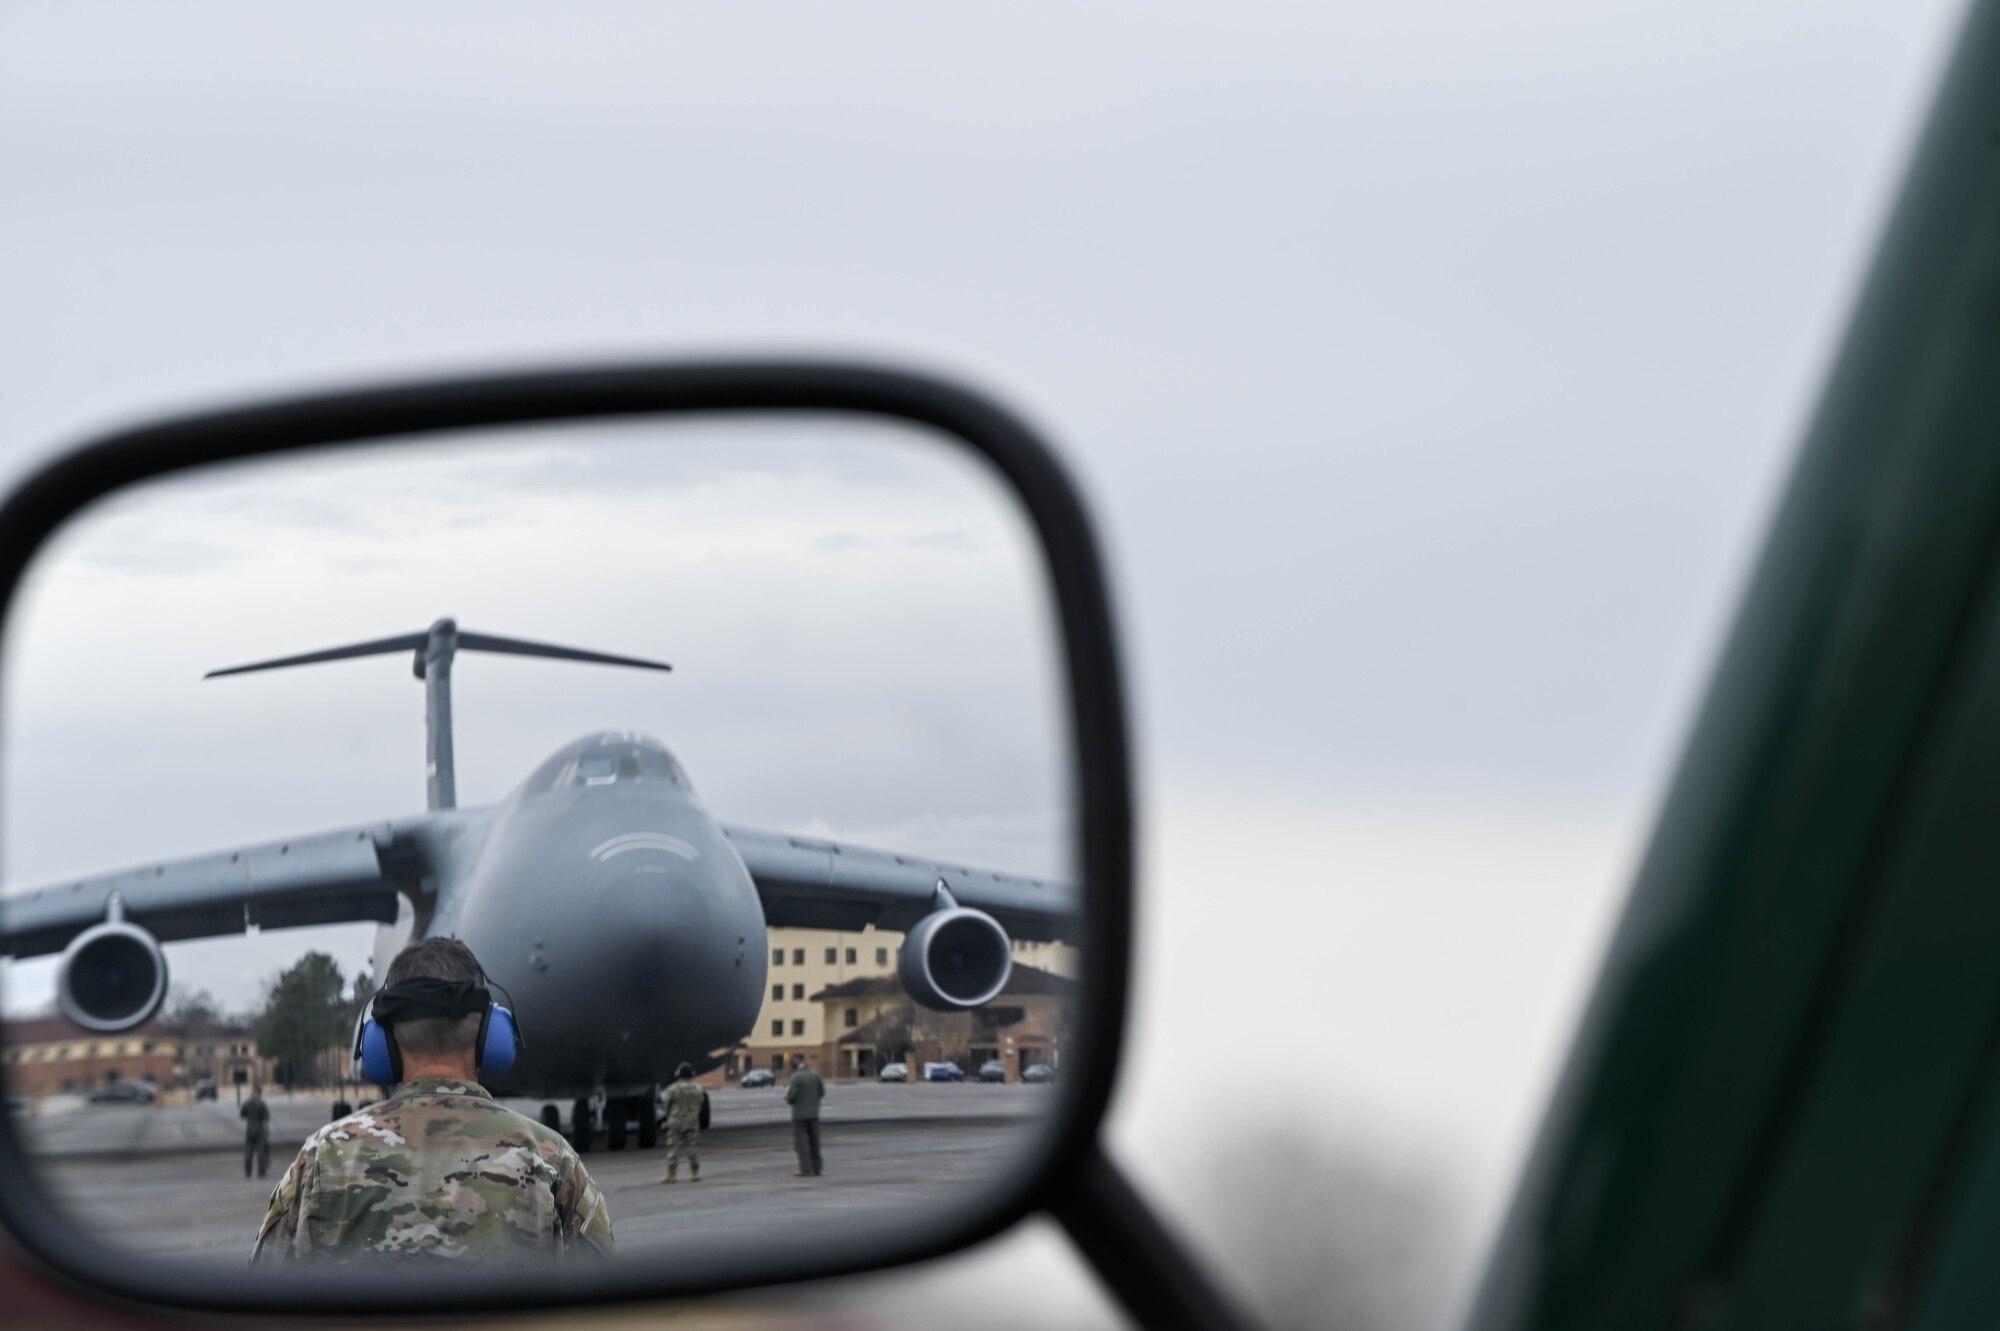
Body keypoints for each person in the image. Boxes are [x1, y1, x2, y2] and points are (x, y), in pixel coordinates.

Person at [250, 937, 614, 1264]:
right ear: (490, 1034)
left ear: (382, 1043)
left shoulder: (323, 1158)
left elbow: (262, 1296)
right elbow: (606, 1302)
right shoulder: (551, 1159)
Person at [658, 1062, 705, 1184]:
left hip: (676, 1121)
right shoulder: (698, 1088)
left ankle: (672, 1174)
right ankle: (695, 1173)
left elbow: (666, 1103)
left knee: (674, 1148)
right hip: (692, 1121)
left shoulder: (673, 1088)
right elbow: (701, 1103)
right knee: (692, 1147)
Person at [784, 1053, 825, 1177]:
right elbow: (821, 1092)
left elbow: (791, 1096)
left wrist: (790, 1100)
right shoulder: (815, 1075)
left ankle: (805, 1168)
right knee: (815, 1142)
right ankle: (816, 1168)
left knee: (801, 1143)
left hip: (799, 1115)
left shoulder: (796, 1077)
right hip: (814, 1114)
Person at [239, 1082, 270, 1179]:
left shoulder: (247, 1103)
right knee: (260, 1151)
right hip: (259, 1128)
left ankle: (248, 1172)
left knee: (248, 1151)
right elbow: (266, 1116)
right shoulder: (261, 1103)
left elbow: (242, 1114)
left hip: (249, 1128)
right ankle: (261, 1172)